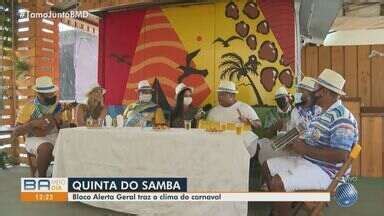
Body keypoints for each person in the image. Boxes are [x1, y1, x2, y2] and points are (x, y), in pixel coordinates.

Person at [262, 69, 358, 216]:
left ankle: (283, 209)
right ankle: (280, 208)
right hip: (309, 162)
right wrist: (293, 142)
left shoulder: (342, 118)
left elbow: (341, 155)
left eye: (315, 88)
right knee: (267, 165)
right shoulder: (321, 112)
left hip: (328, 173)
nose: (311, 92)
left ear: (324, 91)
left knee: (277, 183)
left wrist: (304, 149)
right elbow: (311, 135)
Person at [257, 77, 322, 163]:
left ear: (310, 93)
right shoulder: (295, 111)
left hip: (310, 150)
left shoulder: (319, 110)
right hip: (291, 144)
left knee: (270, 156)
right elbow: (290, 133)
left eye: (302, 91)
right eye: (299, 91)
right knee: (266, 152)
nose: (299, 93)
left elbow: (316, 135)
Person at [12, 76, 63, 177]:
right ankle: (42, 179)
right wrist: (32, 124)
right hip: (35, 138)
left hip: (55, 136)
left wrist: (59, 122)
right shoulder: (29, 107)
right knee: (46, 147)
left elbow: (63, 127)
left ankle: (55, 176)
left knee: (70, 145)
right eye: (48, 94)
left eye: (52, 93)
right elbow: (16, 131)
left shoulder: (58, 106)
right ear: (39, 94)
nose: (52, 95)